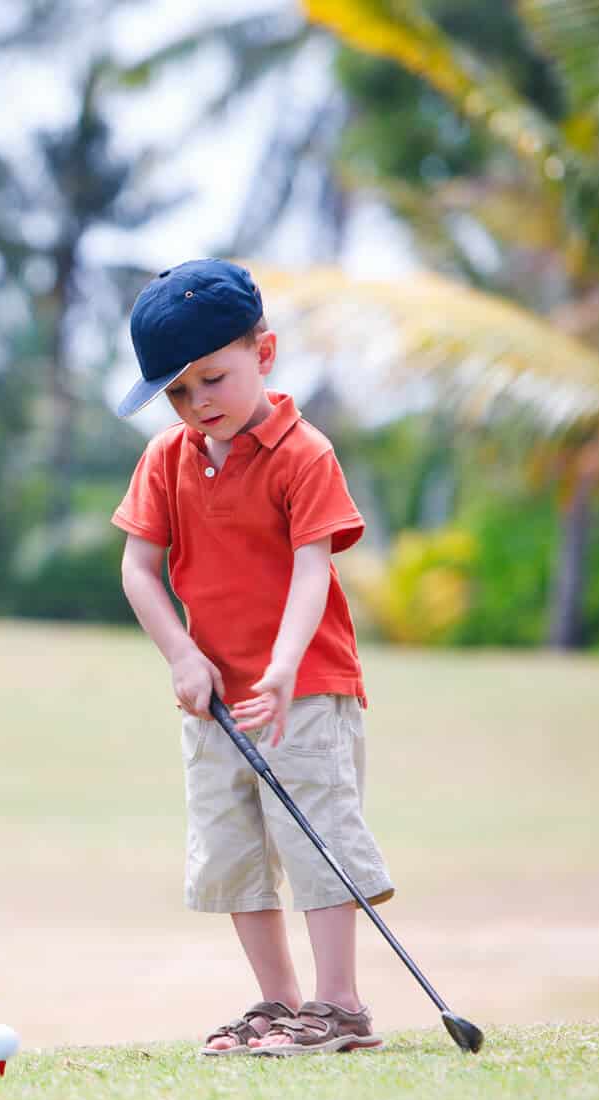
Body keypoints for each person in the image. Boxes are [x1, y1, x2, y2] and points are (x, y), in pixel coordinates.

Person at [110, 259, 395, 1056]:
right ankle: (278, 1000)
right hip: (213, 698)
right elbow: (138, 567)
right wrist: (180, 655)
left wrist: (281, 663)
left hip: (302, 686)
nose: (198, 404)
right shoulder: (168, 458)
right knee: (232, 851)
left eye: (212, 379)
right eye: (178, 393)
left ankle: (339, 1005)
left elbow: (314, 567)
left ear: (263, 354)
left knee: (317, 839)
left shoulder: (305, 453)